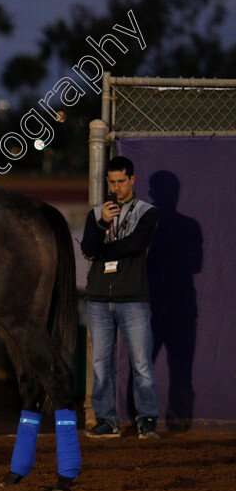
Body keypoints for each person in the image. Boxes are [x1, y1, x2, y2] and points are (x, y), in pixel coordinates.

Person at [81, 156, 160, 439]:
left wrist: (100, 252)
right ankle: (106, 420)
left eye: (121, 182)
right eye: (111, 182)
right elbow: (86, 247)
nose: (116, 188)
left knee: (141, 363)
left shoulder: (147, 212)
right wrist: (102, 223)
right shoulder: (96, 213)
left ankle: (147, 419)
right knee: (101, 365)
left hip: (133, 298)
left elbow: (136, 245)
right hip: (100, 299)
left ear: (132, 180)